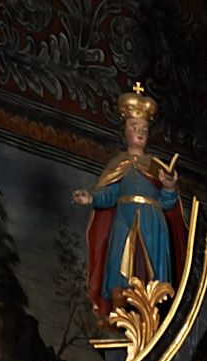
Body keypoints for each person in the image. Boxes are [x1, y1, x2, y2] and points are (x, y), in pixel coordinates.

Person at [73, 83, 188, 313]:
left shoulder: (155, 166)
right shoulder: (117, 164)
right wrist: (91, 198)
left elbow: (167, 203)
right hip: (124, 221)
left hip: (152, 222)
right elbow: (110, 193)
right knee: (119, 268)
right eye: (134, 127)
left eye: (144, 129)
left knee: (152, 275)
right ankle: (119, 308)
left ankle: (153, 312)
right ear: (125, 131)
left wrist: (169, 187)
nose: (140, 133)